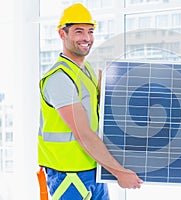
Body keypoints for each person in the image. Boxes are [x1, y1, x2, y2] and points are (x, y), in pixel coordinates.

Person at [38, 3, 143, 200]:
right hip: (68, 175)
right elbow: (83, 133)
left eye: (90, 31)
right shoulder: (59, 78)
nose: (87, 38)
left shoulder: (86, 71)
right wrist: (119, 172)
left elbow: (97, 114)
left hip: (93, 169)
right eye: (79, 31)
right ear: (62, 34)